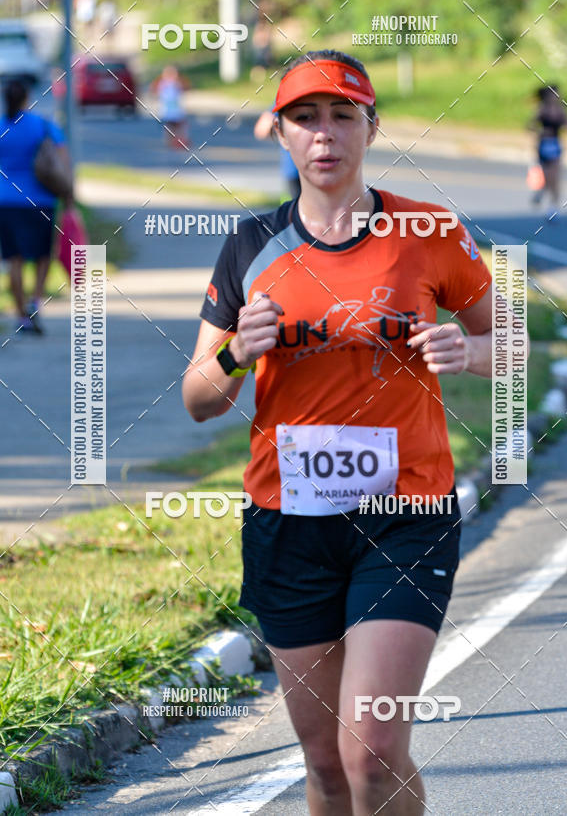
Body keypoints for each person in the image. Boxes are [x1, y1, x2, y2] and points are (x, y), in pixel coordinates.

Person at [183, 50, 503, 815]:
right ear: (281, 134)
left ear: (371, 127)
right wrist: (237, 351)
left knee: (373, 746)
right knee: (325, 764)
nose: (323, 135)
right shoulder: (250, 243)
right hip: (288, 523)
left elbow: (514, 345)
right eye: (304, 118)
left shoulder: (427, 230)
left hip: (406, 515)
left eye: (341, 116)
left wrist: (470, 352)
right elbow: (199, 398)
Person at [0, 78, 71, 334]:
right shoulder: (42, 125)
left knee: (13, 259)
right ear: (26, 99)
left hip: (5, 202)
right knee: (42, 254)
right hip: (40, 201)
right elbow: (63, 161)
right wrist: (68, 194)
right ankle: (35, 299)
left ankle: (22, 316)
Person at [529, 84, 567, 215]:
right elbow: (530, 125)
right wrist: (540, 131)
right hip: (543, 145)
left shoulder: (560, 110)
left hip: (555, 144)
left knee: (555, 177)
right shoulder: (542, 109)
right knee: (547, 176)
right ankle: (541, 193)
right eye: (553, 94)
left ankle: (553, 207)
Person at [254, 108, 301, 200]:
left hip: (294, 170)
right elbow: (262, 130)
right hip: (295, 172)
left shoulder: (288, 96)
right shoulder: (287, 97)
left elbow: (262, 130)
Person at [151, 66, 190, 149]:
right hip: (167, 110)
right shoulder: (162, 83)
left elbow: (186, 87)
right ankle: (170, 142)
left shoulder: (178, 83)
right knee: (169, 127)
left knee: (180, 126)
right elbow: (154, 91)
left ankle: (180, 141)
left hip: (177, 110)